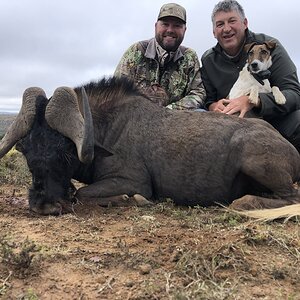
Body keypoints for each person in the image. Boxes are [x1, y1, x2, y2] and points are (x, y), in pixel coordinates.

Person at [201, 0, 300, 152]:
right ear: (214, 31)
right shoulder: (208, 60)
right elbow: (208, 100)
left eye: (232, 21)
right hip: (234, 125)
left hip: (277, 120)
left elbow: (294, 93)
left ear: (245, 23)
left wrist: (256, 101)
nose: (226, 29)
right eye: (220, 24)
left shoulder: (271, 47)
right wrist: (214, 106)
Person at [114, 3, 206, 110]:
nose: (170, 30)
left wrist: (169, 111)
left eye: (177, 25)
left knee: (200, 112)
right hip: (138, 119)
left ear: (184, 30)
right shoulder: (136, 51)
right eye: (165, 24)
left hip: (174, 119)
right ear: (156, 26)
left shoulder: (190, 56)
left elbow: (198, 93)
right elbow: (117, 90)